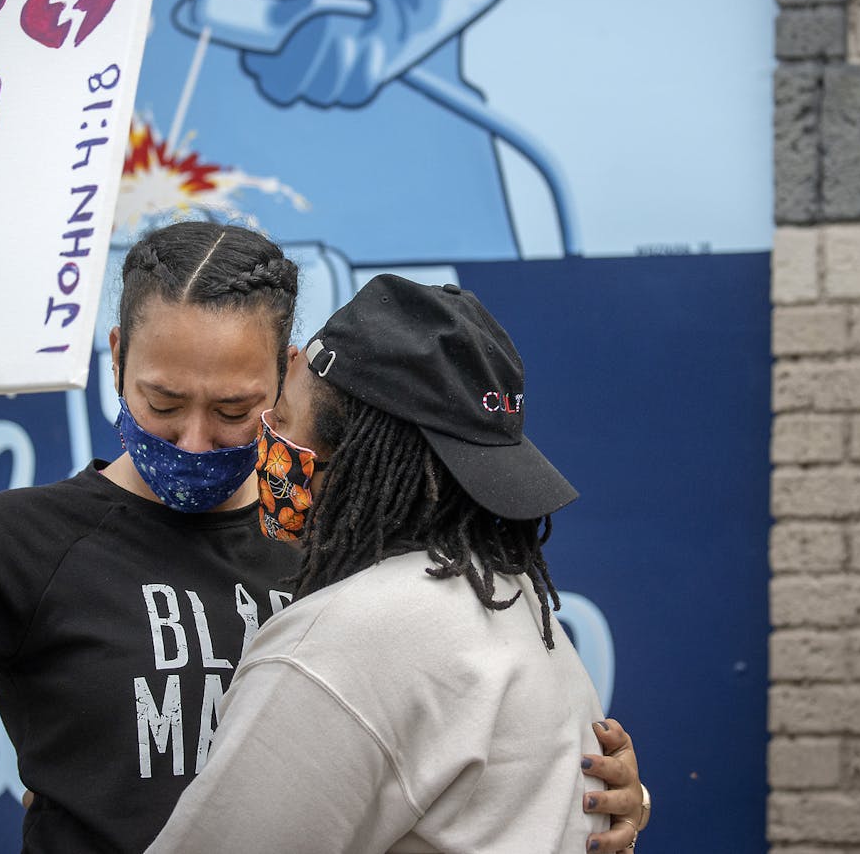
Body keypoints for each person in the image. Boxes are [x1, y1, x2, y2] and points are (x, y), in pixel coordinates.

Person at [0, 204, 647, 853]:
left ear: (292, 384)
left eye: (233, 408)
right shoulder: (30, 542)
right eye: (161, 398)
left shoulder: (354, 565)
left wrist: (576, 802)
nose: (194, 435)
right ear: (113, 359)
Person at [148, 274, 651, 853]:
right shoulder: (519, 606)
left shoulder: (345, 641)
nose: (268, 440)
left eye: (282, 420)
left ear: (357, 456)